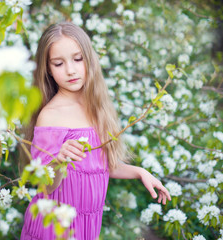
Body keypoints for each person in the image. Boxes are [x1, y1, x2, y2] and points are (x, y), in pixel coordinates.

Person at [20, 22, 171, 240]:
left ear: (89, 60)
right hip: (55, 226)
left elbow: (98, 167)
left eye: (78, 59)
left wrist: (140, 172)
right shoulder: (51, 115)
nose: (70, 70)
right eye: (59, 63)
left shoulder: (96, 109)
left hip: (88, 224)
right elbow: (44, 185)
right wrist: (58, 160)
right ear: (49, 70)